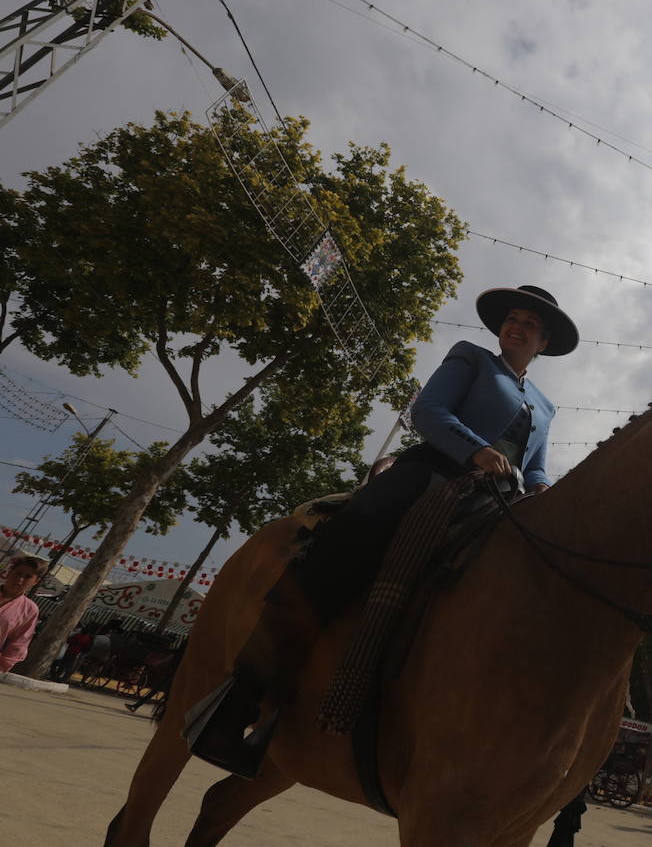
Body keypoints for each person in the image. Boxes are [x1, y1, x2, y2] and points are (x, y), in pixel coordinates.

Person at [185, 285, 579, 778]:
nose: (516, 327)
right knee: (346, 543)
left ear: (542, 343)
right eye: (513, 318)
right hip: (433, 473)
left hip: (498, 501)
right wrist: (476, 450)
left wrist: (544, 490)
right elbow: (429, 413)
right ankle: (236, 706)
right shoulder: (472, 358)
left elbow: (536, 465)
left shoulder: (545, 405)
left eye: (529, 324)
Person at [0, 556, 43, 674]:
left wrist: (3, 665)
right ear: (9, 573)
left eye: (28, 577)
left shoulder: (29, 610)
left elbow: (19, 643)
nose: (20, 579)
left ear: (36, 581)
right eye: (17, 573)